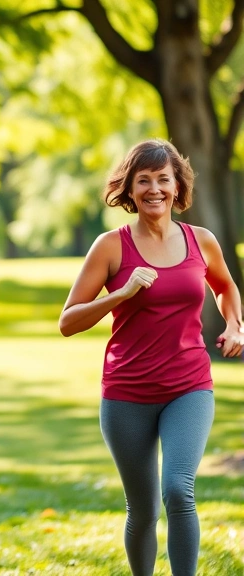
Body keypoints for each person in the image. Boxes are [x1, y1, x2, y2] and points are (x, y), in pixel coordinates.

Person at [59, 139, 244, 576]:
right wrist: (120, 294)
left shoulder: (202, 241)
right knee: (142, 510)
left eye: (164, 179)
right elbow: (67, 321)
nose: (154, 188)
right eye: (144, 180)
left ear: (178, 186)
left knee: (179, 491)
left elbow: (225, 287)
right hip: (127, 394)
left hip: (189, 386)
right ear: (129, 189)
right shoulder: (110, 247)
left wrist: (236, 324)